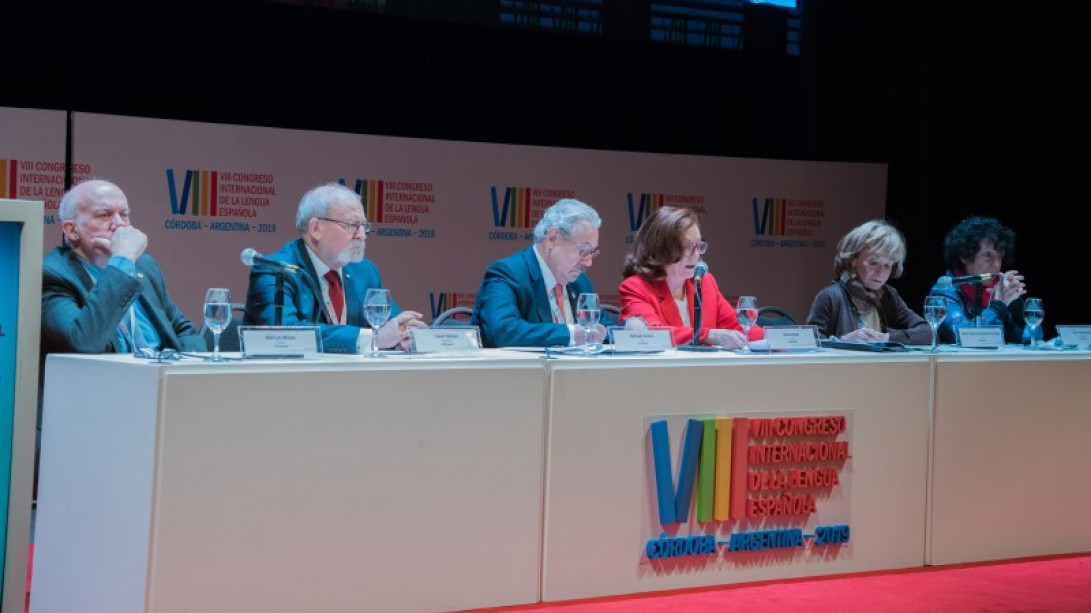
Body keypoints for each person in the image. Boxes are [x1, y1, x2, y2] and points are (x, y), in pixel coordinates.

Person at [244, 182, 426, 353]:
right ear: (316, 228)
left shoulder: (364, 271)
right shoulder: (276, 270)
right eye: (352, 225)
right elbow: (284, 333)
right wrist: (373, 339)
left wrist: (406, 332)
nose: (362, 235)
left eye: (364, 226)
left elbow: (392, 325)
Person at [41, 179, 206, 356]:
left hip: (160, 375)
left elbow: (183, 330)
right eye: (104, 215)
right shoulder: (52, 274)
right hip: (105, 379)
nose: (119, 224)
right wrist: (122, 261)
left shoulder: (144, 265)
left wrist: (191, 365)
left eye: (124, 214)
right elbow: (83, 341)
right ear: (72, 230)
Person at [471, 198, 608, 348]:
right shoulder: (508, 273)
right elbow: (502, 330)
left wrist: (630, 329)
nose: (588, 262)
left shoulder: (580, 283)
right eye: (583, 251)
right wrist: (570, 334)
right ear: (552, 238)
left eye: (592, 252)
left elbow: (603, 328)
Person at [619, 206, 762, 349]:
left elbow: (740, 328)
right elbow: (649, 335)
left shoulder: (705, 282)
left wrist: (775, 340)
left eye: (698, 246)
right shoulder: (636, 287)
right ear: (661, 250)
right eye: (687, 246)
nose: (696, 255)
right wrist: (709, 335)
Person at [806, 219, 931, 344]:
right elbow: (810, 344)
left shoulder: (889, 295)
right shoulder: (830, 297)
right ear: (853, 260)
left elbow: (928, 332)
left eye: (887, 265)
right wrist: (842, 342)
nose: (880, 272)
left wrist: (886, 338)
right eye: (873, 262)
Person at [927, 215, 1034, 344]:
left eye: (1000, 257)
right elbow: (968, 337)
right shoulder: (944, 292)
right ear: (965, 256)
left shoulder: (998, 292)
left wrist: (1019, 312)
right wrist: (998, 307)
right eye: (988, 255)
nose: (996, 264)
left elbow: (1031, 341)